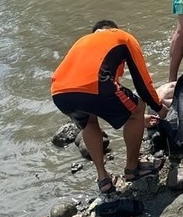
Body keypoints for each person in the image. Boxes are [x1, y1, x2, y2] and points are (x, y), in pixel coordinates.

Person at [51, 20, 169, 194]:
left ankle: (103, 178)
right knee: (138, 107)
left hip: (59, 92)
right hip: (96, 85)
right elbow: (142, 82)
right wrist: (159, 107)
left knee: (89, 123)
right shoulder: (123, 38)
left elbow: (96, 89)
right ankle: (132, 169)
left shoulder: (83, 41)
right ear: (114, 29)